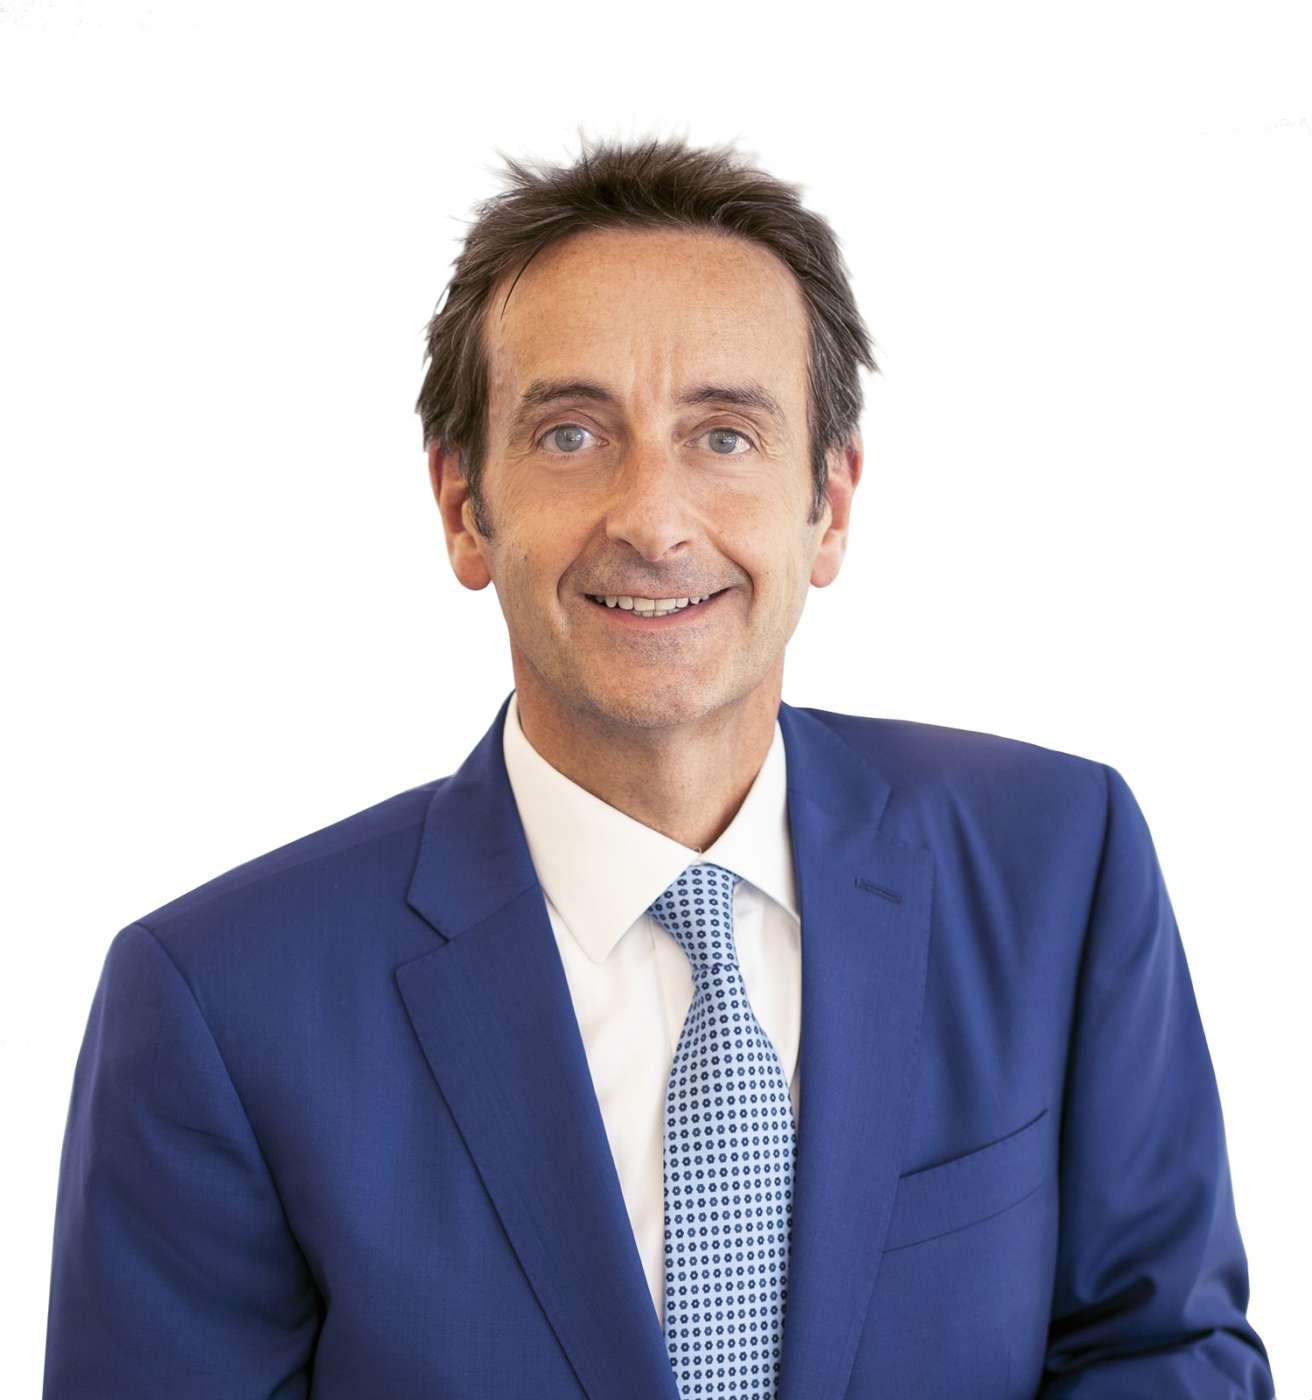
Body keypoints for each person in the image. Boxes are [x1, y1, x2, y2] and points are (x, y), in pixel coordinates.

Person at [42, 135, 1275, 1399]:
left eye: (724, 436)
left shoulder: (1057, 863)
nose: (653, 519)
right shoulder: (219, 1001)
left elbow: (1160, 1345)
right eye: (571, 434)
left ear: (831, 501)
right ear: (464, 506)